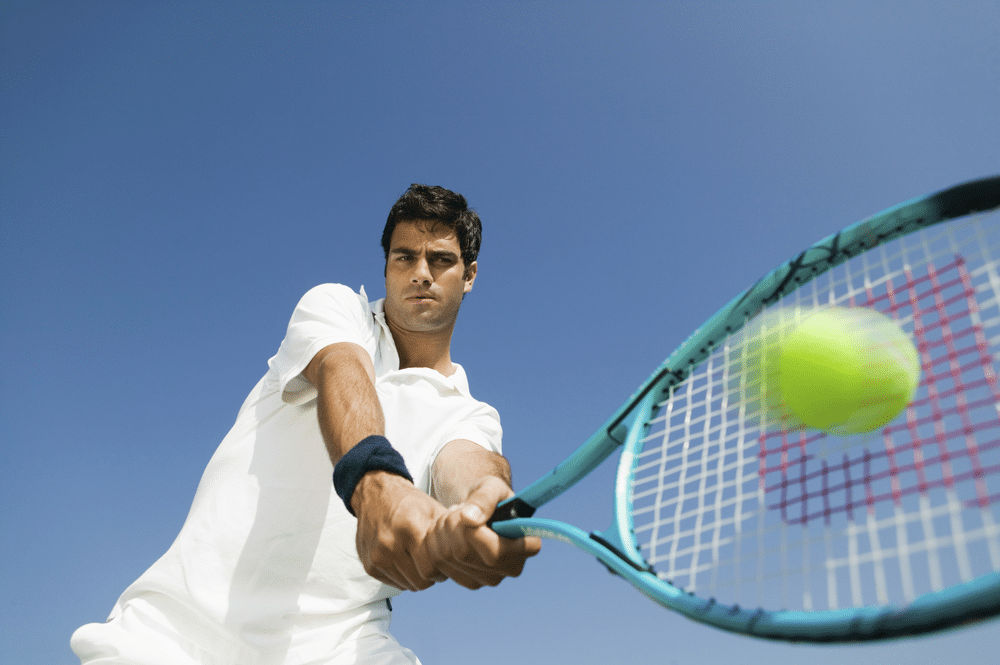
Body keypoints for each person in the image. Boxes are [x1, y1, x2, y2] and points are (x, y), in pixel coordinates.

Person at [71, 184, 542, 664]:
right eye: (404, 258)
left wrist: (480, 506)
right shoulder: (336, 307)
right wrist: (375, 481)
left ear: (470, 275)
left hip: (343, 648)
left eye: (441, 259)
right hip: (172, 638)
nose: (421, 273)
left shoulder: (470, 414)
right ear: (386, 269)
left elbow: (470, 465)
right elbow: (342, 369)